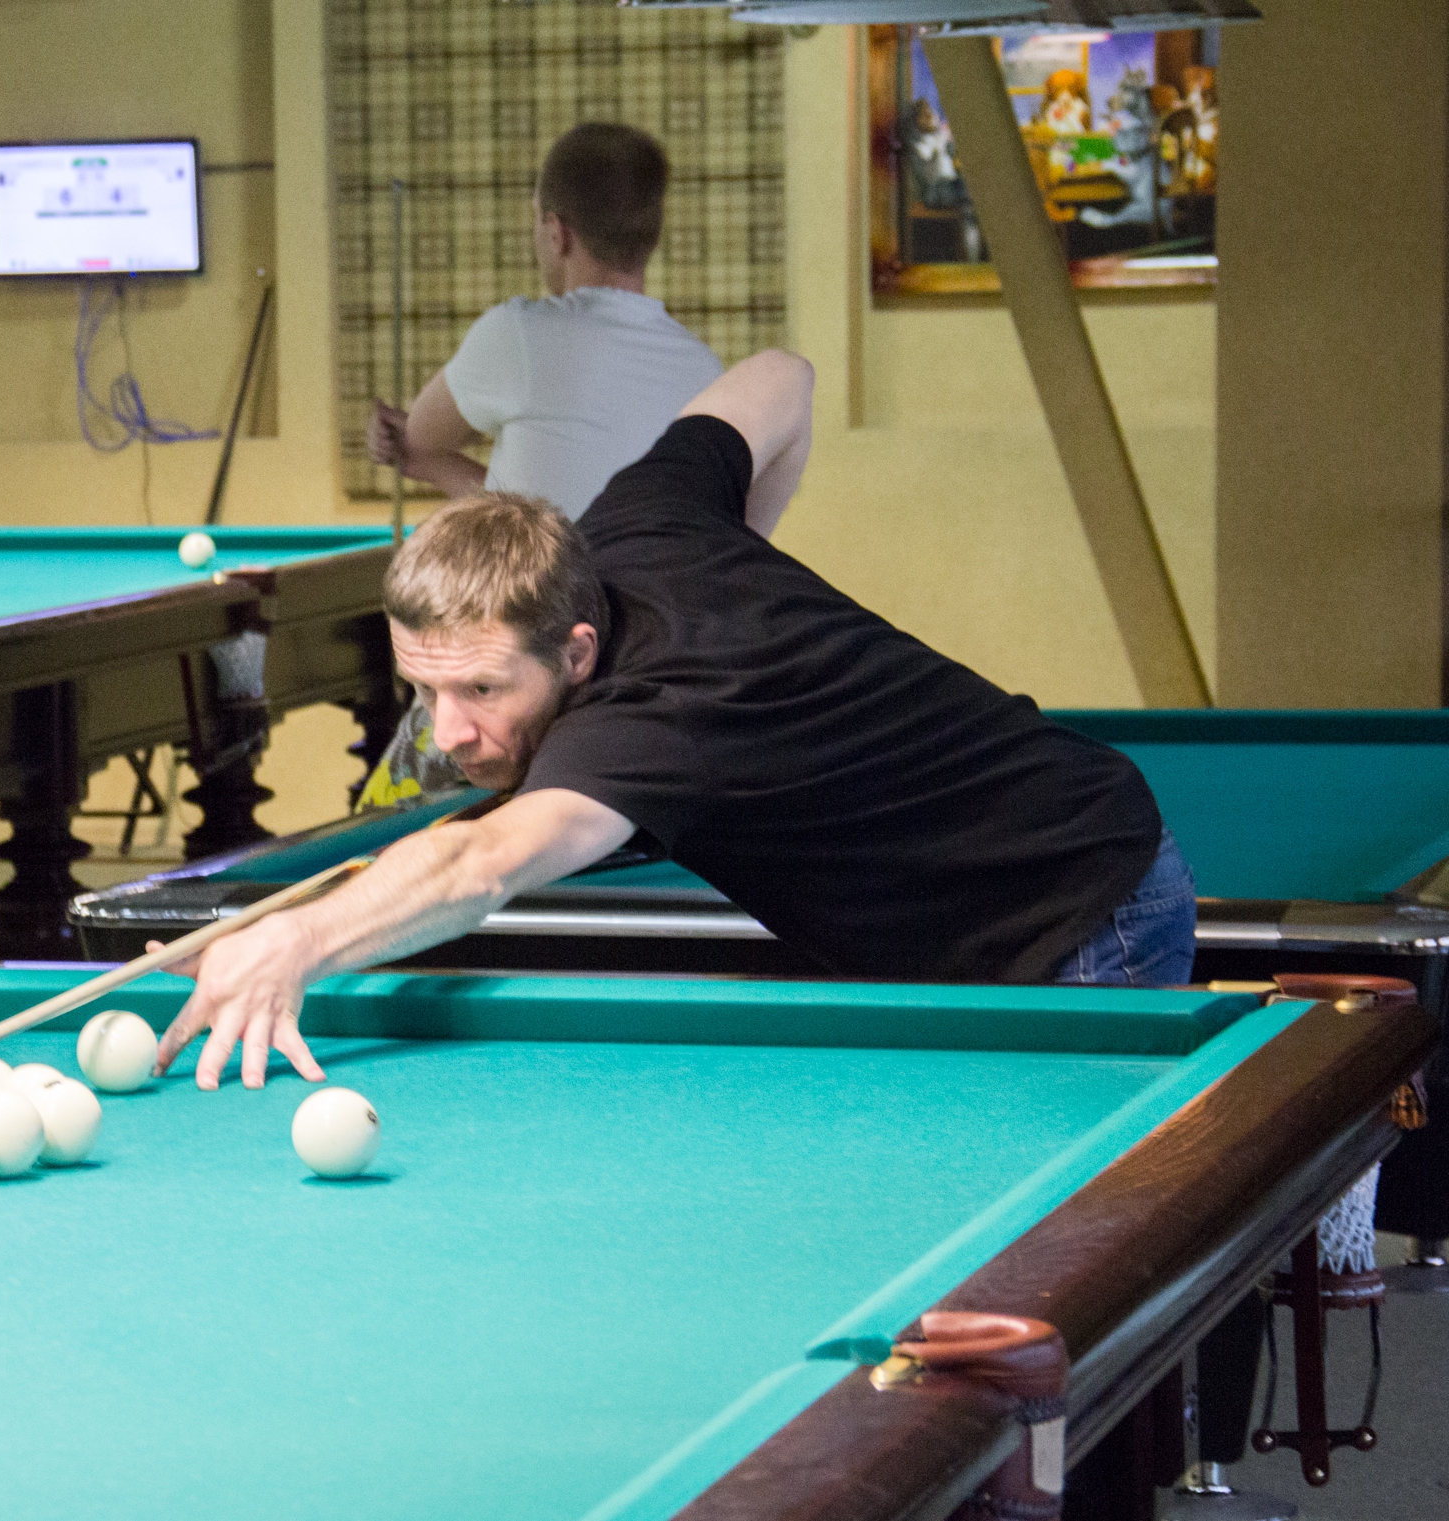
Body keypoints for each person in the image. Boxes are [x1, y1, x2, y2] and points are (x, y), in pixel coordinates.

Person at [152, 349, 1195, 1091]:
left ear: (577, 652)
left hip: (1074, 900)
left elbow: (479, 866)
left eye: (482, 692)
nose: (448, 733)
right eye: (425, 691)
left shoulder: (651, 722)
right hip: (955, 909)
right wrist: (740, 553)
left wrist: (297, 942)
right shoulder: (642, 512)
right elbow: (781, 376)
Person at [359, 121, 723, 806]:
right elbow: (535, 519)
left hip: (534, 673)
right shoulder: (705, 369)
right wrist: (429, 465)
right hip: (662, 681)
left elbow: (424, 434)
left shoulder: (522, 332)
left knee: (376, 817)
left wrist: (411, 453)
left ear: (556, 231)